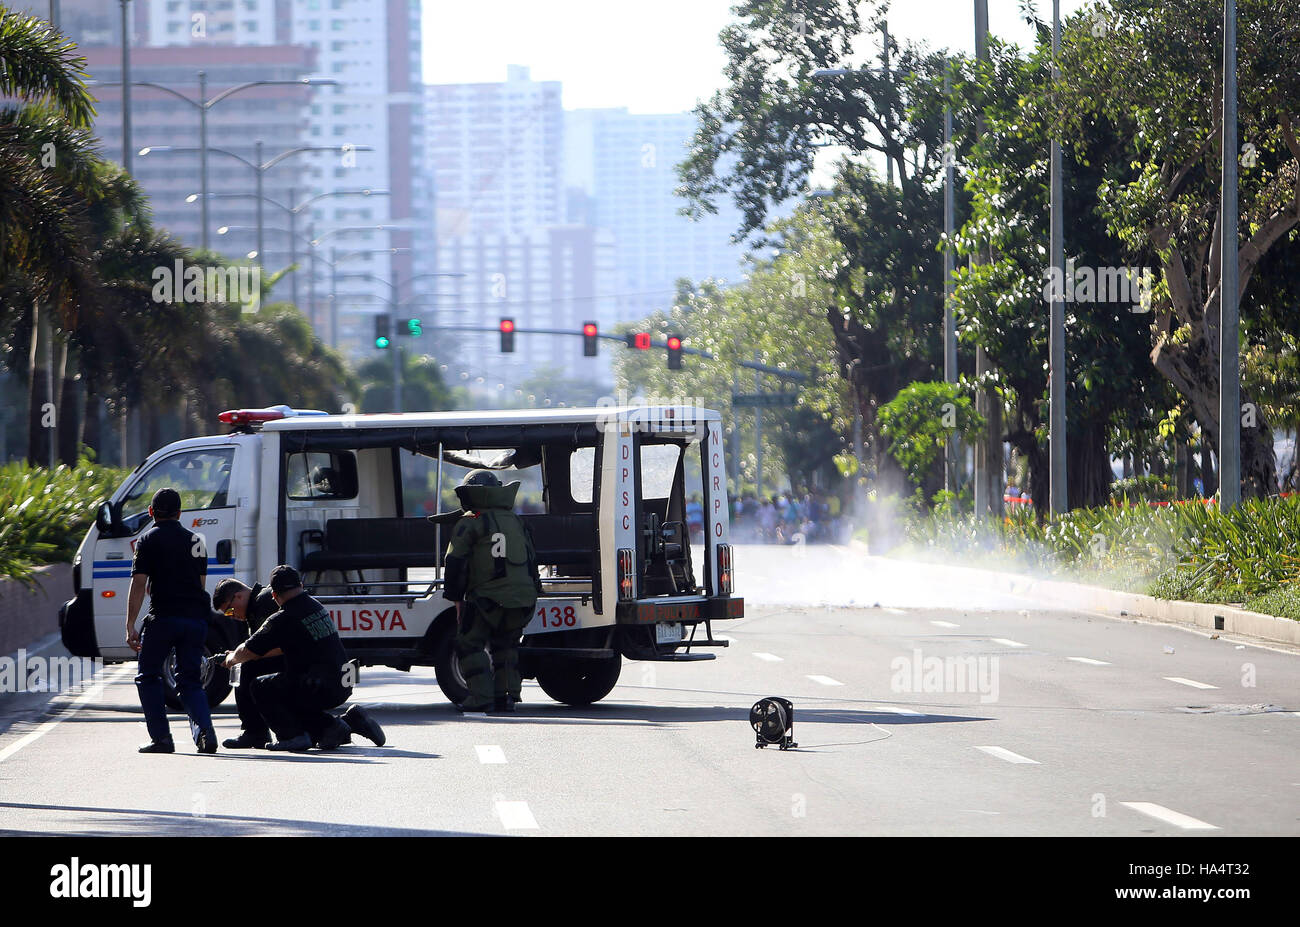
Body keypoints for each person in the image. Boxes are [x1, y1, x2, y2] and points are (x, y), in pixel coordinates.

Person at [222, 566, 385, 751]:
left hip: (318, 685)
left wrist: (231, 659)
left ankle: (293, 736)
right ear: (301, 585)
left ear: (274, 596)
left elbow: (248, 651)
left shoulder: (282, 618)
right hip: (342, 682)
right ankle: (348, 722)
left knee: (261, 687)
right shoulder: (316, 605)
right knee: (289, 692)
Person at [441, 470, 541, 714]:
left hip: (486, 598)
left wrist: (455, 597)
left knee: (469, 643)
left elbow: (455, 560)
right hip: (524, 599)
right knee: (506, 645)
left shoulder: (471, 521)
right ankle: (506, 698)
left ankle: (481, 697)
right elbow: (532, 559)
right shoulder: (516, 520)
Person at [127, 487, 219, 754]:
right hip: (195, 620)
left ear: (151, 512)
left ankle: (161, 739)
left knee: (148, 676)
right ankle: (204, 733)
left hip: (163, 619)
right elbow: (200, 585)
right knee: (190, 679)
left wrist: (130, 624)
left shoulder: (146, 541)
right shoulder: (197, 541)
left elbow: (138, 584)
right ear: (180, 513)